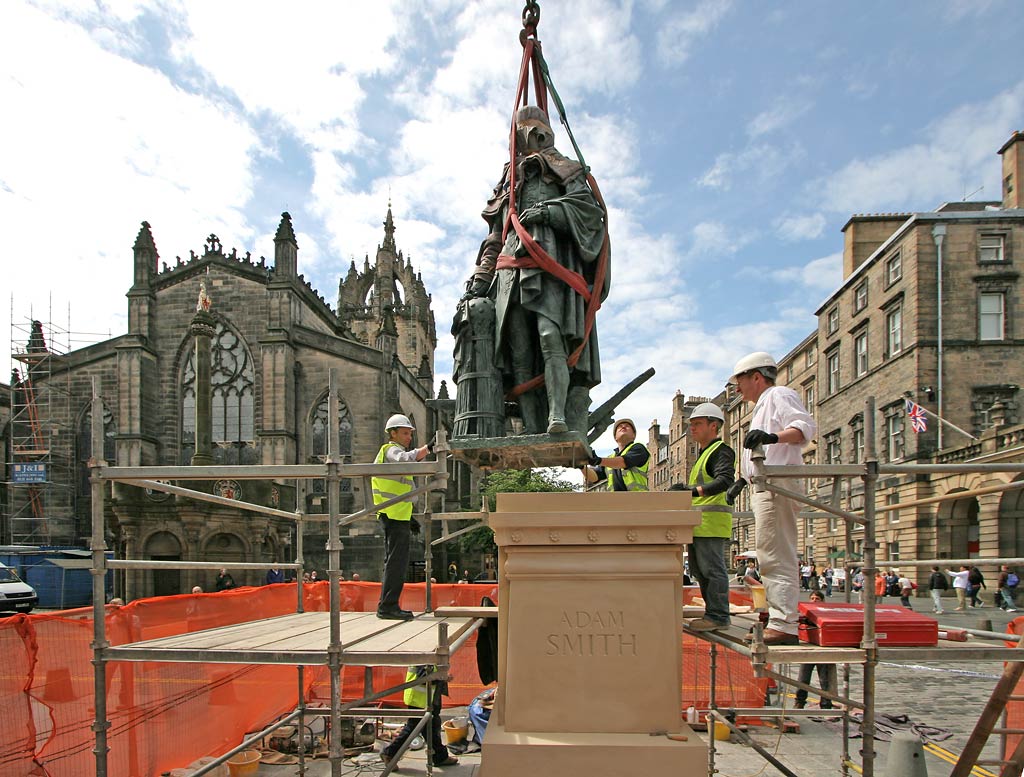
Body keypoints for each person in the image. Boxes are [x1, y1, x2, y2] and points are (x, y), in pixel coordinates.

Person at [458, 105, 609, 435]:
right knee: (519, 350)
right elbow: (495, 237)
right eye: (521, 133)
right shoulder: (508, 182)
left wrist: (548, 212)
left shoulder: (564, 169)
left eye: (533, 131)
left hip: (548, 266)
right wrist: (481, 278)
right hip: (510, 274)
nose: (527, 139)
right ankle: (531, 424)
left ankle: (557, 415)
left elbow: (587, 210)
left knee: (549, 336)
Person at [730, 352, 816, 646]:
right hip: (765, 484)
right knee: (770, 552)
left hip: (776, 484)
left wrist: (772, 437)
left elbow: (804, 427)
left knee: (776, 553)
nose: (736, 389)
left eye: (739, 381)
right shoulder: (761, 406)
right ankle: (779, 617)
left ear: (756, 376)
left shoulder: (779, 394)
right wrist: (742, 480)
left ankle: (784, 623)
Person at [671, 403, 735, 632]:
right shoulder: (703, 454)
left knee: (712, 569)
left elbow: (725, 480)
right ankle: (713, 614)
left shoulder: (721, 450)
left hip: (712, 523)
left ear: (714, 425)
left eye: (697, 424)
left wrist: (692, 491)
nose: (692, 429)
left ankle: (719, 615)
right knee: (700, 570)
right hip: (700, 524)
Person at [374, 413, 434, 621]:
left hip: (396, 515)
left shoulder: (393, 451)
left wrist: (410, 519)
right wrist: (428, 449)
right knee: (397, 563)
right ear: (393, 434)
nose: (409, 437)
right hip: (392, 514)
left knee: (394, 561)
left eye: (410, 433)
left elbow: (400, 491)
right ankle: (388, 607)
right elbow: (406, 460)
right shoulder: (391, 450)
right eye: (405, 433)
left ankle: (387, 605)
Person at [380, 665, 459, 770]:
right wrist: (442, 677)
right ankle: (389, 753)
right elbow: (423, 677)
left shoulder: (430, 654)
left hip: (428, 698)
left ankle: (440, 756)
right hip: (419, 700)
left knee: (431, 727)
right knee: (413, 728)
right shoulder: (424, 656)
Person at [795, 591, 837, 710]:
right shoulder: (805, 613)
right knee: (803, 678)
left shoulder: (827, 613)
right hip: (808, 648)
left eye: (817, 598)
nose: (814, 600)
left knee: (824, 678)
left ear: (823, 601)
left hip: (823, 650)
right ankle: (799, 701)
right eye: (812, 598)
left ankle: (825, 703)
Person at [582, 418, 650, 491]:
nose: (623, 427)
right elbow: (594, 477)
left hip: (637, 500)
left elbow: (624, 462)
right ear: (615, 437)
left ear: (634, 435)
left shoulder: (639, 448)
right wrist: (581, 465)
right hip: (615, 500)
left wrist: (598, 460)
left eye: (627, 426)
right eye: (620, 426)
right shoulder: (610, 458)